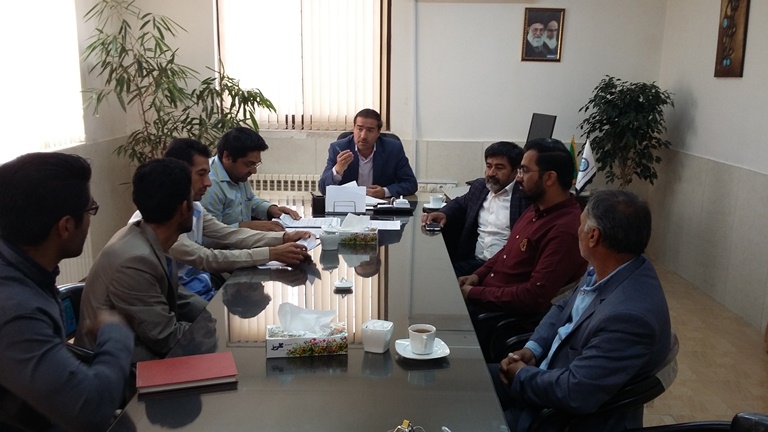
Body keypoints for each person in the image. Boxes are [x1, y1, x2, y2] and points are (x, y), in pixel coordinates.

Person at [490, 189, 672, 432]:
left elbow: (575, 392)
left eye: (580, 224)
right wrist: (533, 348)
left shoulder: (628, 318)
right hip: (544, 375)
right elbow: (563, 307)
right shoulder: (616, 265)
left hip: (557, 417)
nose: (577, 230)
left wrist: (521, 376)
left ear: (593, 236)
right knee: (461, 378)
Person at [0, 153, 133, 432]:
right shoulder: (15, 308)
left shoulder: (27, 271)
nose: (90, 219)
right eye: (90, 209)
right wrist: (116, 332)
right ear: (66, 226)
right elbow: (90, 410)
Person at [130, 138, 311, 300]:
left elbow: (229, 234)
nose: (208, 182)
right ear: (179, 173)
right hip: (183, 294)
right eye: (201, 174)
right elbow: (206, 257)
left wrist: (284, 237)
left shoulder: (196, 207)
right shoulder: (160, 219)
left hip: (200, 286)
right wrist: (272, 253)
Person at [77, 159, 208, 362]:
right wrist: (214, 331)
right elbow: (166, 337)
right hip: (121, 369)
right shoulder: (135, 261)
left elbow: (178, 296)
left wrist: (215, 315)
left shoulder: (145, 235)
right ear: (184, 208)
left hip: (142, 349)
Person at [458, 138, 587, 315]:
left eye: (524, 171)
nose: (518, 178)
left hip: (498, 315)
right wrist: (477, 275)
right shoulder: (535, 209)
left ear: (549, 178)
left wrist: (474, 294)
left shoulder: (565, 229)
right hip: (487, 295)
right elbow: (507, 250)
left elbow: (534, 296)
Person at [422, 141, 529, 276]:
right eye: (489, 166)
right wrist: (444, 213)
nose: (491, 173)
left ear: (515, 171)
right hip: (474, 262)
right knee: (433, 275)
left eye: (499, 168)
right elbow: (460, 203)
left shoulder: (524, 197)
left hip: (503, 268)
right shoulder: (480, 187)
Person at [201, 127, 300, 231]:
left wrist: (271, 209)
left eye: (256, 164)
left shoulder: (238, 174)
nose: (254, 171)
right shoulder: (208, 185)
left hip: (245, 239)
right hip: (227, 241)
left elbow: (250, 200)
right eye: (249, 164)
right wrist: (246, 226)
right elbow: (210, 233)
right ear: (228, 157)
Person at [318, 108, 417, 198]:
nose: (363, 136)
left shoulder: (393, 149)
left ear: (378, 132)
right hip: (349, 205)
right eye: (359, 129)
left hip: (381, 207)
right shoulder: (338, 148)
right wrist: (337, 170)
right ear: (354, 129)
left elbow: (411, 183)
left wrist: (385, 192)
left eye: (370, 130)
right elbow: (323, 189)